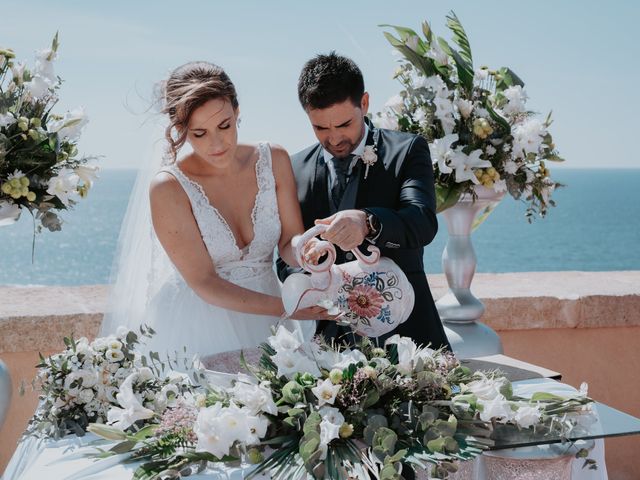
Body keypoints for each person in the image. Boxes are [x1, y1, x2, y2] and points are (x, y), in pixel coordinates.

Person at [101, 61, 333, 357]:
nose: (217, 143)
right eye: (199, 133)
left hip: (272, 318)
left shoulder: (273, 159)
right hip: (201, 325)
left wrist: (307, 248)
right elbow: (204, 282)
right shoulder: (169, 187)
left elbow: (290, 242)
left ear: (237, 112)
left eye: (225, 125)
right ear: (181, 130)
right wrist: (286, 308)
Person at [277, 52, 451, 351]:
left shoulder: (407, 150)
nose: (334, 139)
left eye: (344, 124)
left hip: (407, 333)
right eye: (320, 128)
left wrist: (369, 222)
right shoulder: (294, 168)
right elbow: (285, 254)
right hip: (328, 345)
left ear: (365, 103)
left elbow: (422, 222)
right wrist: (305, 273)